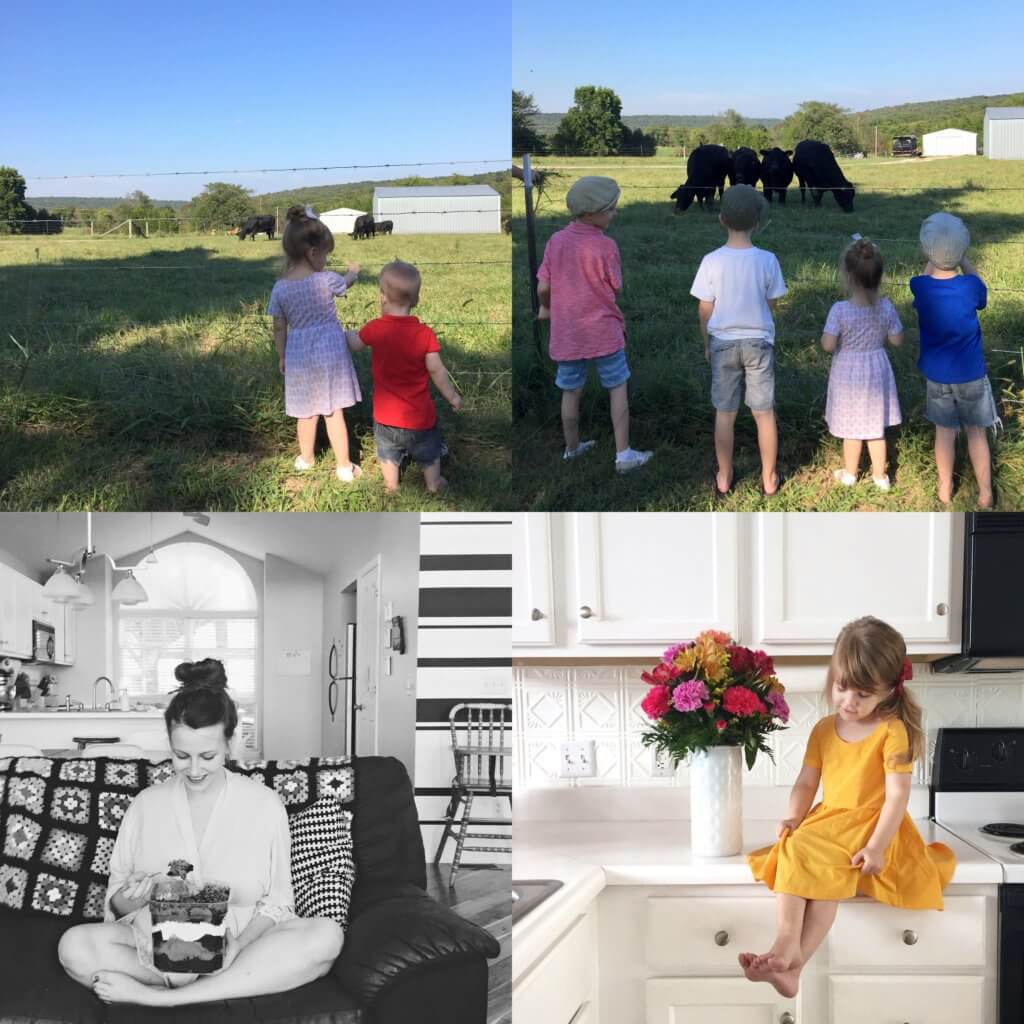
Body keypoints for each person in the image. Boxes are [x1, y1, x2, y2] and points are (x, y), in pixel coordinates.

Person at [57, 658, 343, 1007]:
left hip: (241, 946)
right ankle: (186, 985)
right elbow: (116, 903)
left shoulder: (265, 805)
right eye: (181, 755)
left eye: (207, 755)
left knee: (325, 936)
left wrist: (237, 946)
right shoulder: (146, 805)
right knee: (74, 946)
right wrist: (136, 895)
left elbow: (279, 902)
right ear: (169, 744)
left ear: (230, 743)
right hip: (158, 944)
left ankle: (163, 997)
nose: (193, 769)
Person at [741, 617, 954, 997]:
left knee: (824, 865)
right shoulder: (824, 729)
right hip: (832, 818)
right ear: (832, 676)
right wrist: (794, 815)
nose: (849, 703)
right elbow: (807, 782)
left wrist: (875, 846)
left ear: (889, 691)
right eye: (842, 689)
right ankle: (788, 950)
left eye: (863, 695)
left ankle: (791, 955)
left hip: (874, 823)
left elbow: (896, 797)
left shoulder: (891, 731)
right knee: (794, 846)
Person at [536, 175, 653, 473]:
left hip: (567, 332)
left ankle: (572, 449)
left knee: (570, 391)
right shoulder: (607, 246)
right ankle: (623, 454)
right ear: (593, 212)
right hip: (604, 330)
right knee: (617, 387)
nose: (615, 213)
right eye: (611, 209)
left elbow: (543, 287)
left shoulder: (556, 241)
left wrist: (547, 308)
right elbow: (616, 288)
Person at [690, 184, 787, 498]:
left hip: (723, 343)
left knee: (725, 412)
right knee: (764, 412)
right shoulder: (768, 259)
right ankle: (769, 478)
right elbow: (772, 303)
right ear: (758, 222)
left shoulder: (711, 260)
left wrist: (707, 343)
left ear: (721, 219)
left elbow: (705, 308)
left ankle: (724, 475)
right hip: (759, 342)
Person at [346, 260, 461, 493]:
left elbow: (355, 344)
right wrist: (453, 397)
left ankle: (391, 485)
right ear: (416, 301)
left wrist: (346, 333)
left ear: (382, 298)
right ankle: (434, 482)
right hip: (420, 418)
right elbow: (437, 371)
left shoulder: (375, 328)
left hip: (385, 416)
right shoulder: (424, 334)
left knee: (387, 451)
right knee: (430, 451)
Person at [910, 211, 999, 508]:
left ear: (926, 251)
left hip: (937, 375)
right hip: (971, 373)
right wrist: (963, 260)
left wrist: (935, 257)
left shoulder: (920, 287)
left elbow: (924, 276)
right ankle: (985, 492)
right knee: (977, 433)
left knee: (944, 434)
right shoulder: (970, 287)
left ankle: (945, 487)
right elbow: (981, 291)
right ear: (962, 250)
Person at [268, 205, 363, 482]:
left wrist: (282, 355)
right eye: (325, 254)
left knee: (305, 413)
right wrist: (353, 273)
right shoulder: (327, 280)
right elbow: (345, 284)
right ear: (313, 253)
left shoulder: (280, 288)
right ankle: (344, 467)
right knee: (334, 412)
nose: (326, 259)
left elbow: (278, 325)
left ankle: (306, 459)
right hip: (330, 353)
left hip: (298, 354)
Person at [820, 237, 903, 491]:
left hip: (848, 373)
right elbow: (897, 340)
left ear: (848, 276)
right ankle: (880, 477)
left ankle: (850, 473)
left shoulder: (840, 310)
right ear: (879, 276)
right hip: (877, 368)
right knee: (876, 428)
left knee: (852, 429)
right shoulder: (886, 307)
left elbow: (827, 345)